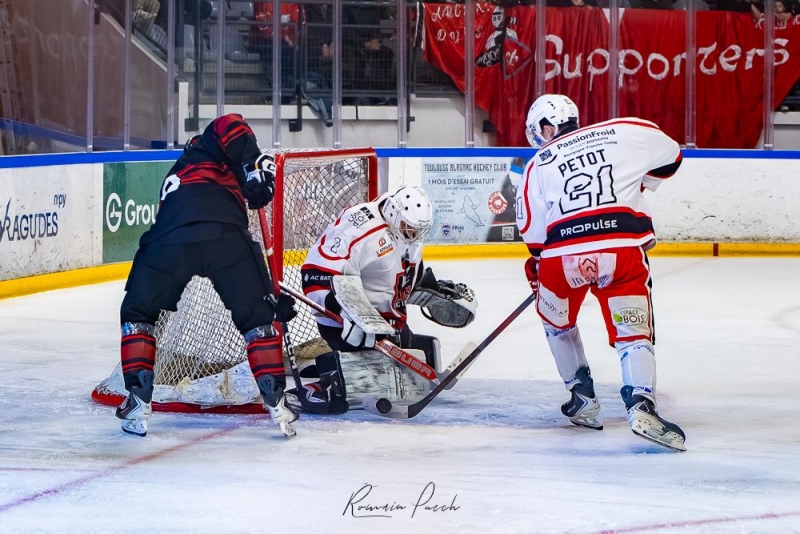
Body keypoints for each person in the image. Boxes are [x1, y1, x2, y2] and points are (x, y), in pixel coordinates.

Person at [515, 94, 686, 451]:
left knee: (556, 322)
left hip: (562, 257)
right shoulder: (623, 129)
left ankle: (581, 398)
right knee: (632, 332)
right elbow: (672, 155)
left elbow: (532, 233)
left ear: (546, 127)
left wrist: (539, 268)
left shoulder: (537, 164)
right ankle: (641, 405)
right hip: (619, 250)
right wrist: (638, 181)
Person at [116, 114, 299, 438]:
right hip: (225, 237)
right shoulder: (211, 141)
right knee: (257, 321)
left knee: (138, 313)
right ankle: (277, 403)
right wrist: (256, 166)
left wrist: (252, 177)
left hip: (168, 241)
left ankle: (138, 401)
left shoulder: (178, 173)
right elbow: (232, 126)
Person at [295, 185, 477, 413]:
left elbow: (399, 276)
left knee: (419, 363)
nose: (414, 235)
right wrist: (348, 314)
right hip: (347, 326)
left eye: (418, 230)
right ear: (393, 213)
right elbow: (314, 274)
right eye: (409, 228)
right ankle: (322, 384)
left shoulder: (406, 229)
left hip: (387, 325)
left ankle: (333, 368)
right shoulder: (358, 229)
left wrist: (433, 289)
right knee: (373, 382)